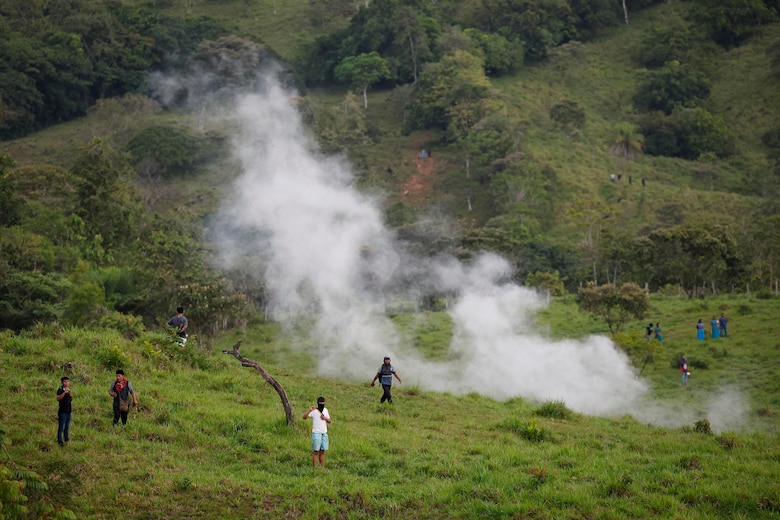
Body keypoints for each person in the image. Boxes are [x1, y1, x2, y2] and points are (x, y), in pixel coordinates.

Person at [302, 396, 331, 468]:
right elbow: (304, 417)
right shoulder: (314, 411)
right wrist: (309, 410)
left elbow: (330, 421)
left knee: (322, 452)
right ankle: (315, 467)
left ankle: (322, 467)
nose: (322, 404)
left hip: (324, 433)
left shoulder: (326, 410)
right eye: (320, 403)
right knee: (316, 451)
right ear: (318, 403)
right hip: (316, 433)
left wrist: (325, 418)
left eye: (323, 403)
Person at [56, 376, 73, 446]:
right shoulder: (60, 389)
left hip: (68, 411)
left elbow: (72, 398)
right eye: (65, 381)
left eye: (68, 381)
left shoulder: (69, 390)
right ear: (62, 382)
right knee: (61, 427)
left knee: (67, 426)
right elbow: (58, 398)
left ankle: (66, 439)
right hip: (62, 412)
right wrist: (64, 393)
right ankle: (59, 440)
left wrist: (69, 393)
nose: (67, 383)